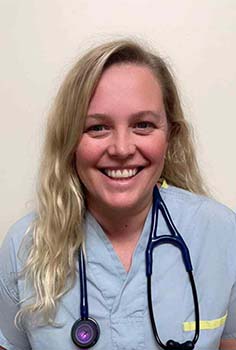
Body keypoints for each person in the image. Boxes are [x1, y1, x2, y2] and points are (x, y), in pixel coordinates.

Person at [0, 39, 236, 350]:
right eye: (97, 128)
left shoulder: (219, 234)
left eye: (143, 125)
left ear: (170, 135)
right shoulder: (24, 247)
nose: (122, 149)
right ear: (70, 140)